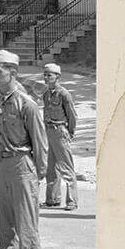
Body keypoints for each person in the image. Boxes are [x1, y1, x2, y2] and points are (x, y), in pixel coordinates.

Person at [0, 49, 48, 249]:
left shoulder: (27, 104)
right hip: (1, 164)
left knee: (26, 230)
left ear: (12, 72)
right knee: (5, 230)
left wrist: (38, 176)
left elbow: (40, 144)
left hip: (22, 166)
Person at [41, 62, 78, 211]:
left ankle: (72, 201)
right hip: (49, 131)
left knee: (66, 167)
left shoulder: (63, 94)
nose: (46, 78)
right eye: (45, 75)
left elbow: (72, 115)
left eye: (49, 75)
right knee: (51, 168)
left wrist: (70, 132)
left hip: (60, 130)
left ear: (57, 77)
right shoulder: (46, 94)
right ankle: (52, 199)